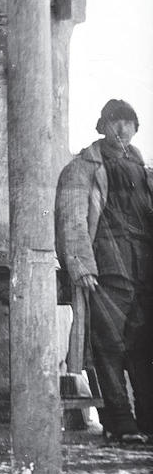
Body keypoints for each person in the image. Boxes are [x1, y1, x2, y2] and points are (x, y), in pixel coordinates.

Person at [55, 99, 153, 444]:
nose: (122, 130)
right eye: (115, 122)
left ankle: (148, 422)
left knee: (142, 347)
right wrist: (80, 266)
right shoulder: (83, 168)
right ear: (103, 125)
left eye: (129, 123)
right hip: (108, 270)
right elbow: (71, 220)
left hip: (144, 271)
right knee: (108, 346)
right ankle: (120, 421)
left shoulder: (144, 170)